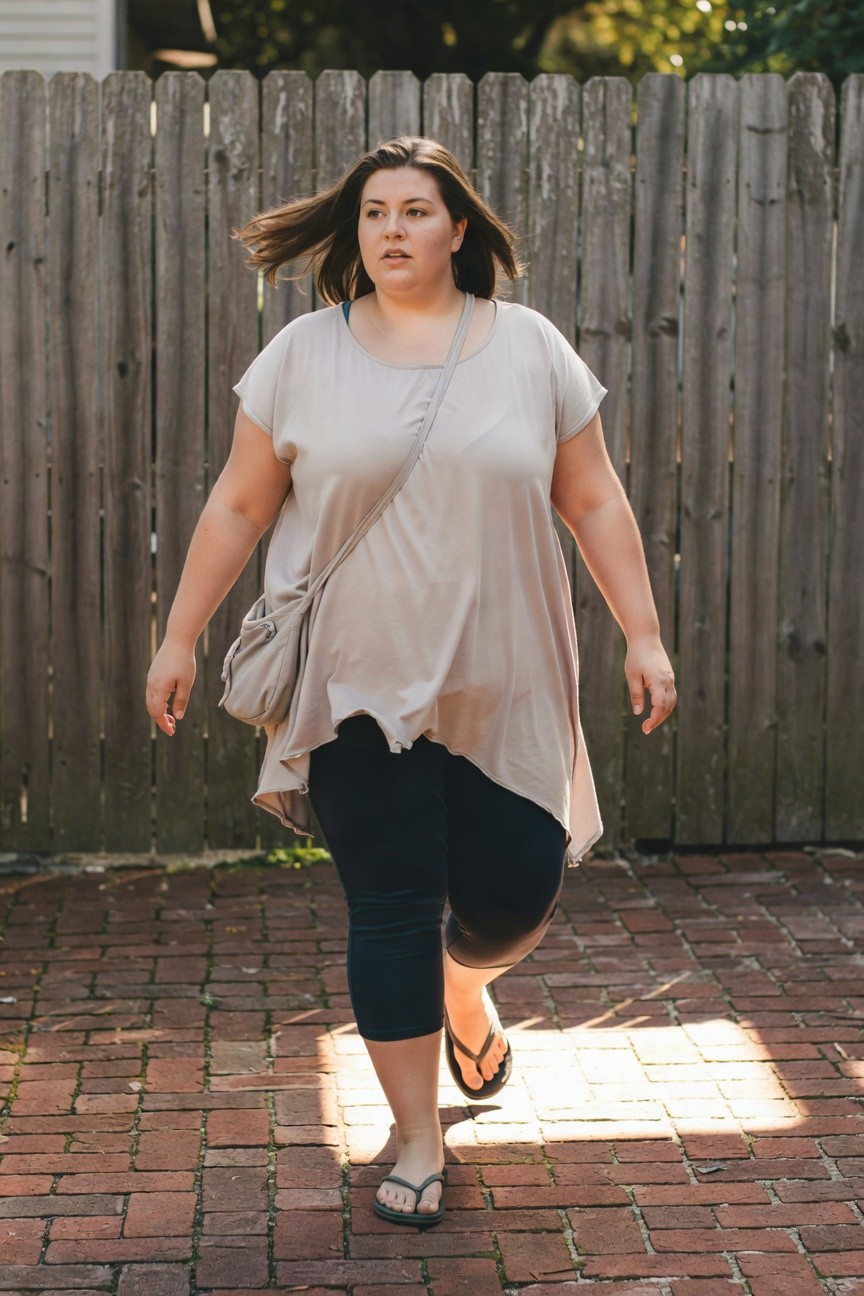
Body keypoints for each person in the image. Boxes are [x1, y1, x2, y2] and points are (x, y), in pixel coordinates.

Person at [146, 135, 676, 1231]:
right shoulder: (301, 354)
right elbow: (239, 506)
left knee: (513, 894)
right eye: (375, 212)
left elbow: (595, 500)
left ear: (459, 230)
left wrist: (645, 634)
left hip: (508, 676)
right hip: (353, 679)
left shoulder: (528, 348)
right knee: (388, 907)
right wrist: (179, 636)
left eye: (415, 211)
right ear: (357, 234)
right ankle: (418, 1136)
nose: (393, 229)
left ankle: (468, 985)